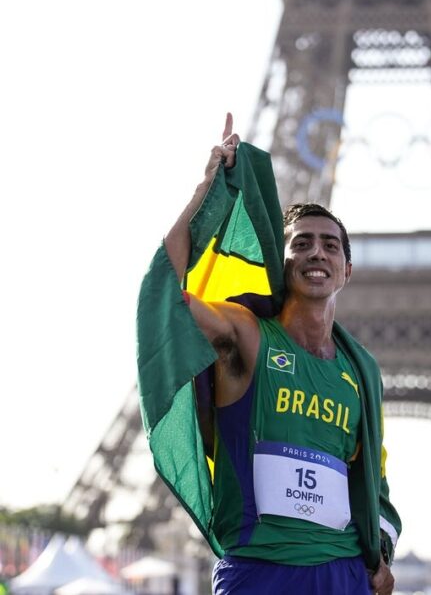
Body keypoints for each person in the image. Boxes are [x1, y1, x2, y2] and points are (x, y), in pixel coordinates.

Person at [148, 113, 400, 594]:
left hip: (341, 570)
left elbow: (373, 479)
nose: (316, 253)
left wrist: (379, 556)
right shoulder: (247, 335)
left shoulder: (360, 371)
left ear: (347, 269)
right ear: (281, 265)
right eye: (300, 244)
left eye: (329, 246)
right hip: (260, 569)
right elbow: (168, 295)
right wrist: (205, 192)